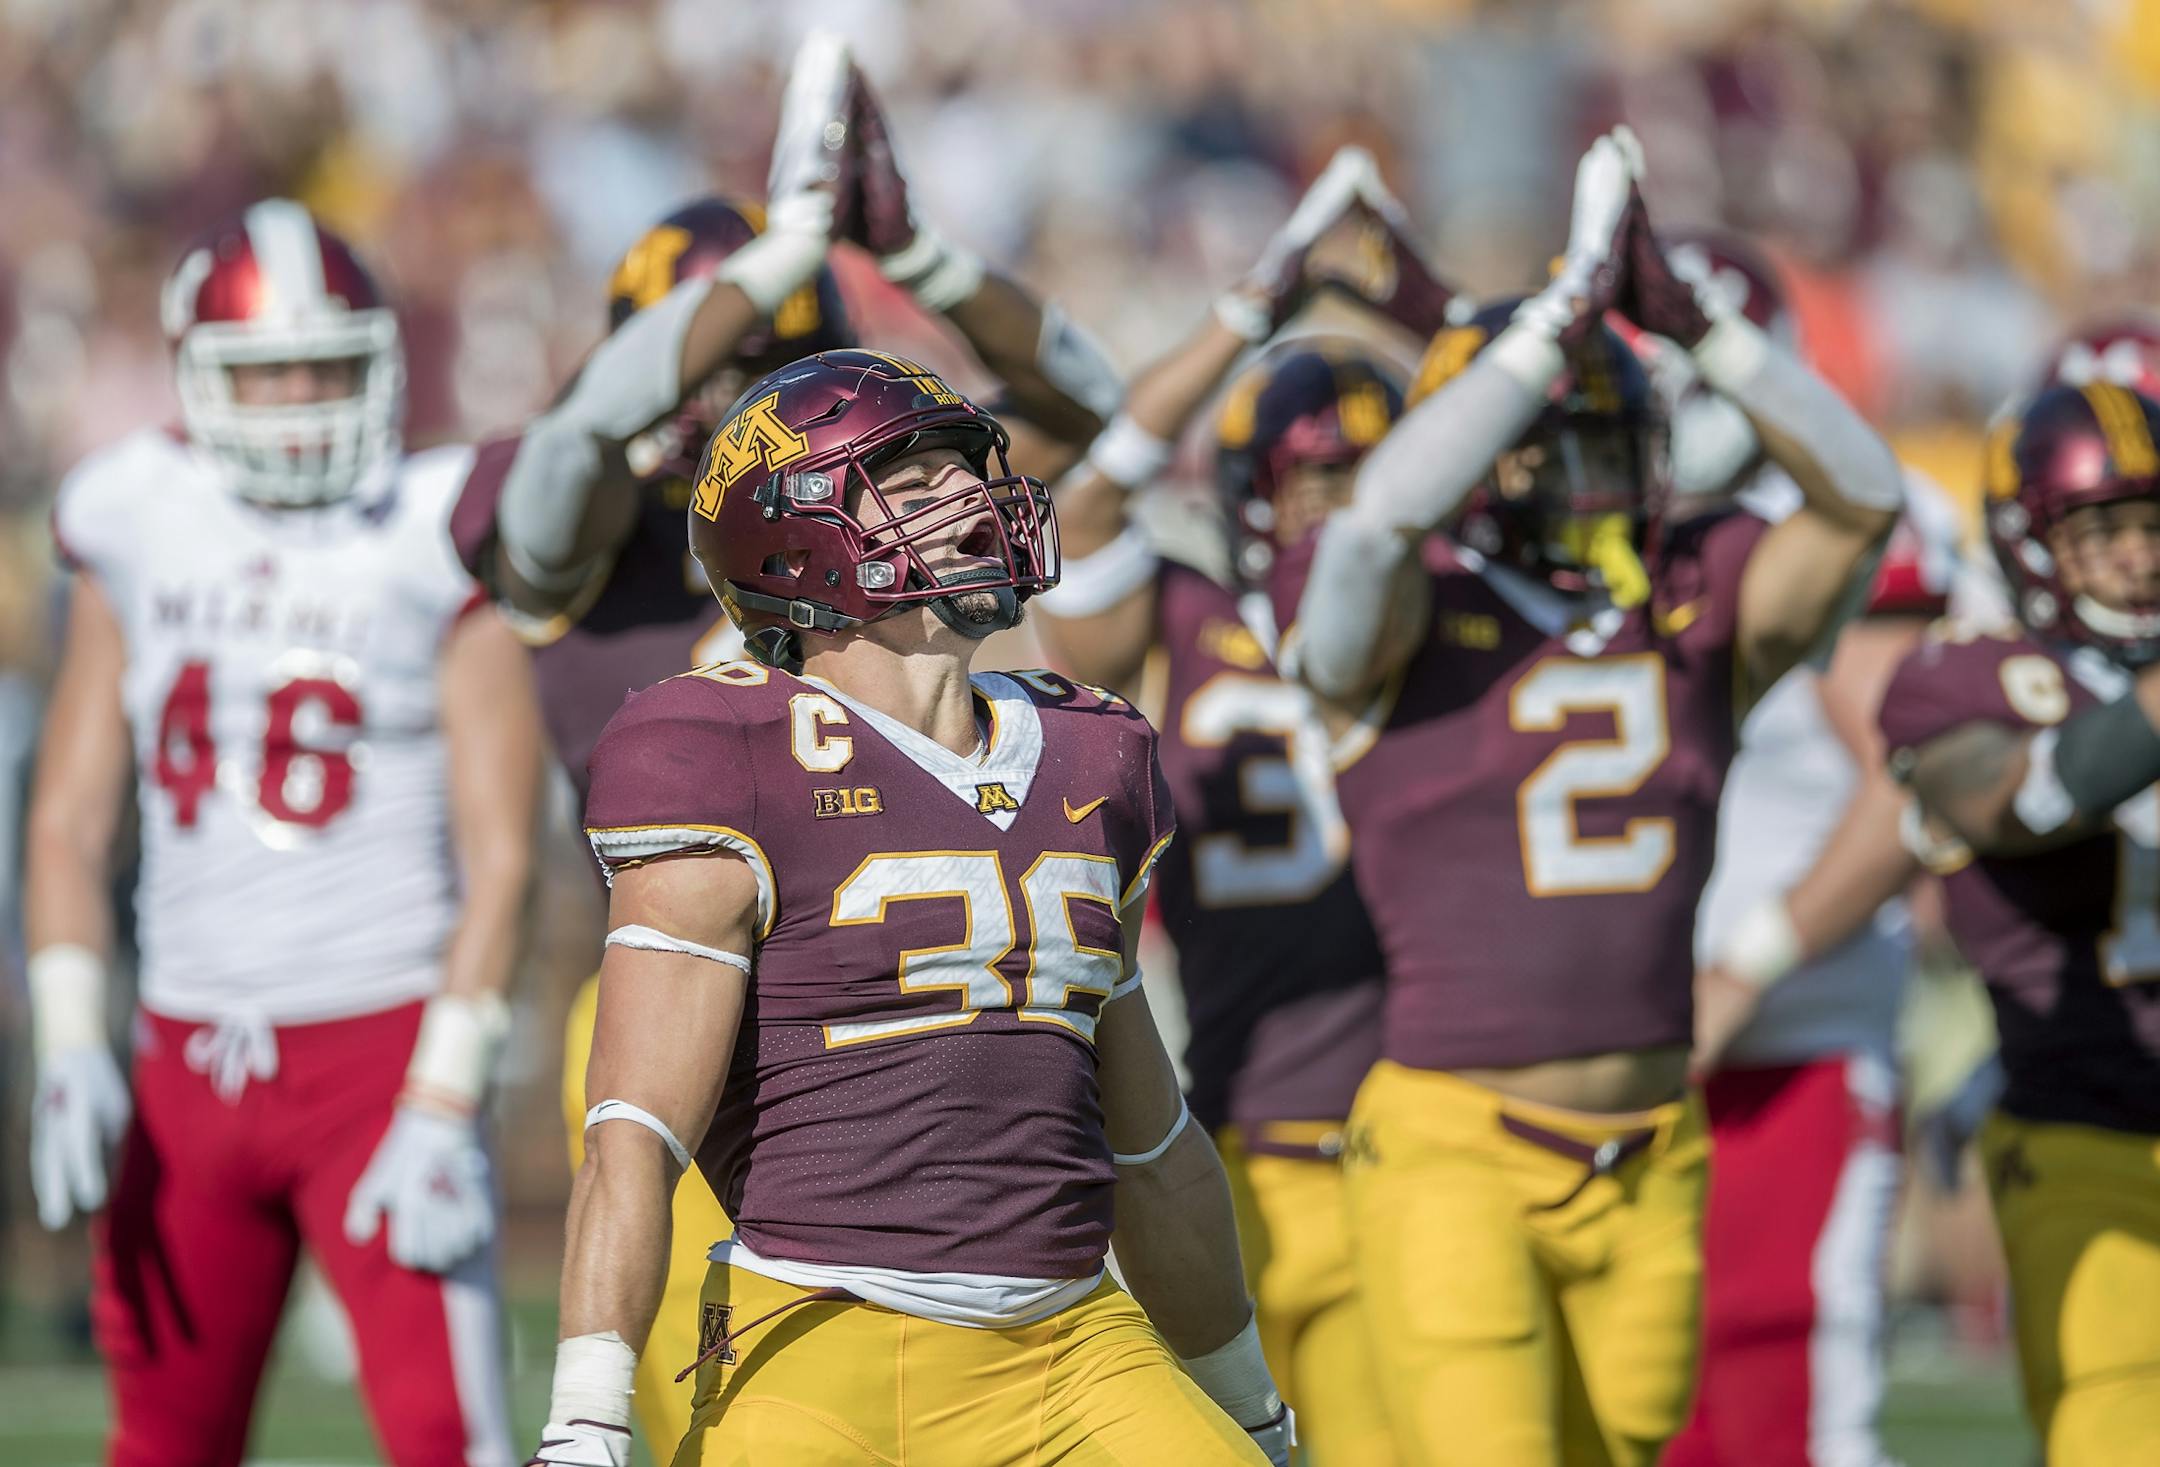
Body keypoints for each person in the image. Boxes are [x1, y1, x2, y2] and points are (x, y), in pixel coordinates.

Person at [447, 36, 1120, 1452]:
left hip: (913, 959)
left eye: (783, 357)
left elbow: (1088, 415)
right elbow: (575, 444)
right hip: (689, 989)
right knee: (702, 1383)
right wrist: (771, 260)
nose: (754, 394)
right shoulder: (595, 526)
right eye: (726, 355)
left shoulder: (876, 499)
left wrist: (919, 256)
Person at [528, 350, 1292, 1467]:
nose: (970, 502)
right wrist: (587, 1417)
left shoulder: (1091, 748)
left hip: (1074, 1345)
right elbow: (634, 1134)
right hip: (819, 1345)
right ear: (798, 537)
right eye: (916, 482)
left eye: (966, 474)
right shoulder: (720, 751)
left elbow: (1150, 1141)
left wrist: (1253, 1411)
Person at [1280, 131, 1902, 1466]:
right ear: (1488, 451)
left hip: (1655, 1145)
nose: (1600, 475)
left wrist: (1706, 336)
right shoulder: (1397, 609)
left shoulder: (1691, 589)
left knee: (1624, 1444)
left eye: (1616, 440)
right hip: (1455, 1146)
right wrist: (1552, 323)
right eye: (1564, 445)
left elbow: (1865, 499)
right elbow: (1382, 519)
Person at [24, 200, 541, 1467]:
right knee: (162, 1445)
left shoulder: (433, 523)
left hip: (379, 1056)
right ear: (201, 380)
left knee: (447, 1442)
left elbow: (507, 855)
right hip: (185, 1061)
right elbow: (71, 816)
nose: (304, 399)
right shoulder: (137, 516)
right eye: (268, 372)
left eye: (329, 367)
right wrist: (68, 1034)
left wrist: (444, 1094)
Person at [1036, 144, 1448, 1467]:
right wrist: (1253, 307)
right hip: (1257, 1127)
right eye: (1319, 479)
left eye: (1372, 485)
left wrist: (1419, 311)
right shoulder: (1183, 616)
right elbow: (1089, 498)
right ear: (1258, 485)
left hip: (1433, 1123)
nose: (1344, 514)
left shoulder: (1453, 618)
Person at [1647, 232, 1960, 1467]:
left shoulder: (1832, 519)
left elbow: (1909, 779)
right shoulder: (1596, 516)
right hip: (1605, 1046)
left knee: (1794, 1413)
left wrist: (1745, 967)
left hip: (1791, 1032)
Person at [1877, 381, 2160, 1467]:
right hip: (2089, 1126)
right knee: (2117, 1433)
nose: (2138, 557)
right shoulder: (1974, 674)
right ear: (2032, 542)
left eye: (2151, 525)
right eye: (2103, 531)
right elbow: (2020, 801)